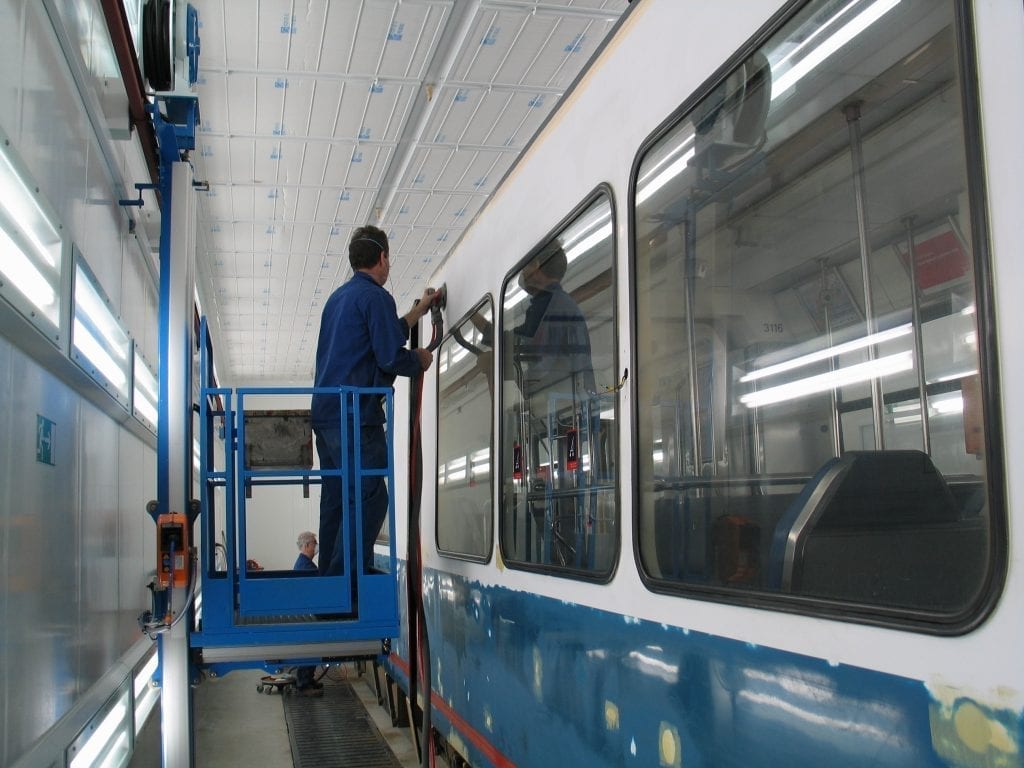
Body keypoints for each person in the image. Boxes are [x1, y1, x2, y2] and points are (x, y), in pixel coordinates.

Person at [311, 225, 434, 579]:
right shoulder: (377, 298)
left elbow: (378, 334)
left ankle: (329, 586)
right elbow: (389, 357)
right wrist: (419, 359)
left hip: (327, 414)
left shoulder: (338, 299)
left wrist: (417, 313)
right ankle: (347, 582)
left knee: (337, 498)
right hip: (356, 416)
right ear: (382, 257)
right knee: (370, 498)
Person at [292, 532, 322, 696]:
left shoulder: (305, 563)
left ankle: (308, 679)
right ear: (306, 546)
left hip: (307, 611)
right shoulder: (306, 566)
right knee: (309, 646)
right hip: (307, 614)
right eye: (314, 543)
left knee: (312, 647)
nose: (316, 546)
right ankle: (303, 683)